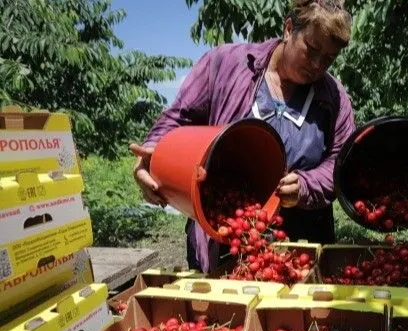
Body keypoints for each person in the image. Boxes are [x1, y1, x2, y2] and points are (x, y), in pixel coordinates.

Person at [129, 0, 355, 272]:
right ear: (288, 29)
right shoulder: (225, 65)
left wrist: (306, 185)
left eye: (329, 58)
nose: (318, 64)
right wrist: (152, 155)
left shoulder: (333, 98)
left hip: (299, 244)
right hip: (222, 230)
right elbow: (178, 118)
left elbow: (341, 164)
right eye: (312, 49)